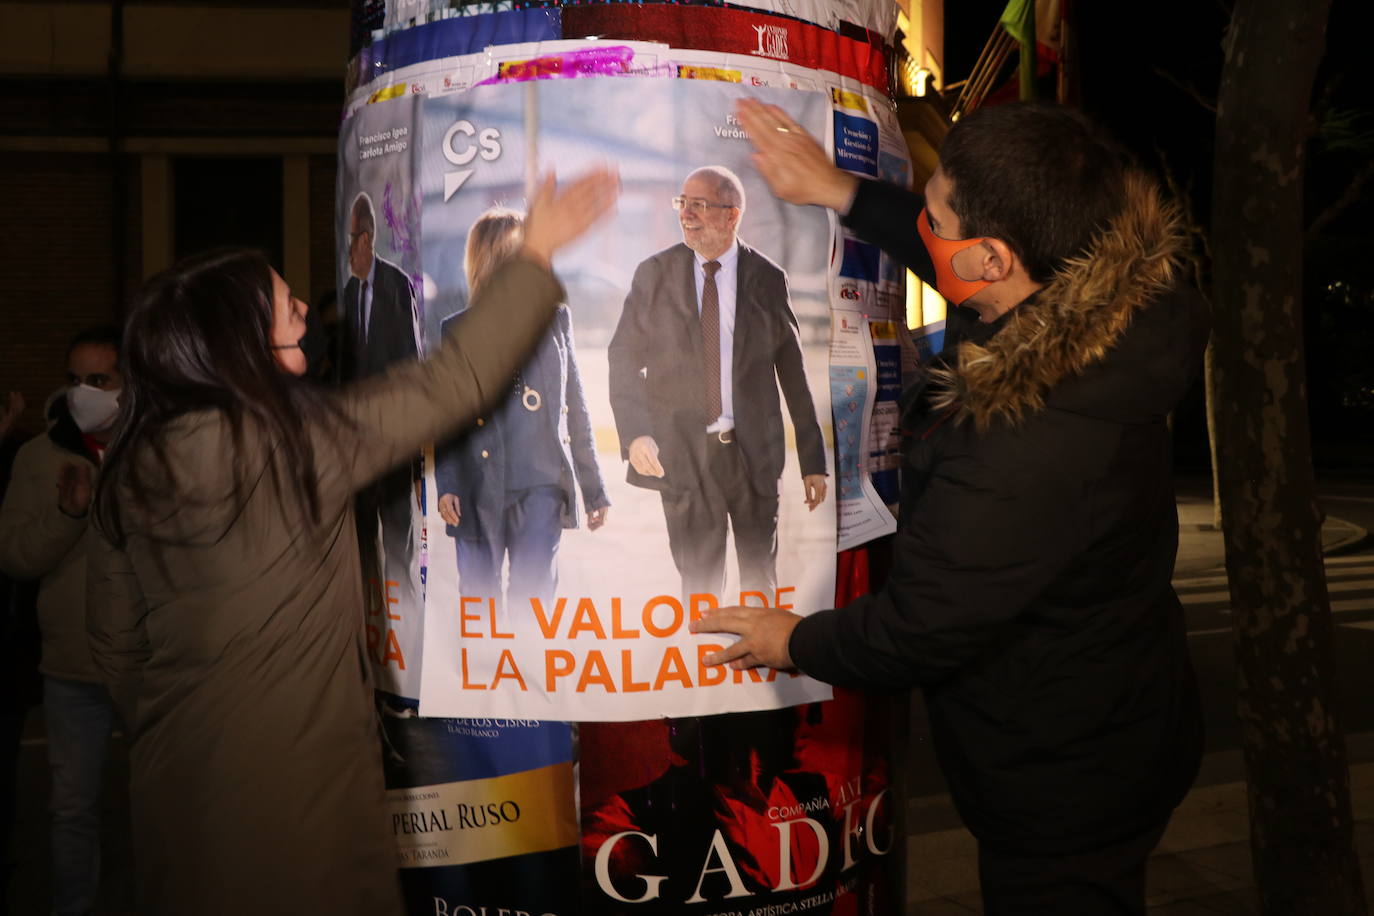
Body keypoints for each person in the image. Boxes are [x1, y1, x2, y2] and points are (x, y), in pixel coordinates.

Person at [693, 99, 1208, 914]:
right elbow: (966, 266)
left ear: (995, 259)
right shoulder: (1115, 306)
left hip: (1064, 778)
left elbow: (918, 629)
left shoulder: (1023, 443)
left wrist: (792, 639)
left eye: (934, 217)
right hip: (1124, 715)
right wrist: (843, 192)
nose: (924, 230)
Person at [84, 168, 618, 915]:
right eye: (285, 304)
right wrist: (537, 258)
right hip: (300, 800)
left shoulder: (130, 465)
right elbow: (453, 380)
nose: (306, 308)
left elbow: (114, 644)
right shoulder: (297, 443)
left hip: (177, 785)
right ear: (236, 342)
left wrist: (191, 715)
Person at [608, 165, 828, 600]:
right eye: (682, 203)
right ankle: (704, 664)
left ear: (732, 215)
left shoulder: (766, 278)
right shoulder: (653, 275)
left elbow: (792, 371)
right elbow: (622, 357)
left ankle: (756, 664)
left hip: (753, 459)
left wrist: (813, 459)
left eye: (700, 205)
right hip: (684, 458)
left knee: (758, 583)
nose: (686, 214)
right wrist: (636, 435)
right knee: (700, 589)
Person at [0, 328, 123, 916]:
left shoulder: (157, 447)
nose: (83, 393)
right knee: (72, 810)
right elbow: (17, 556)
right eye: (75, 379)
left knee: (172, 804)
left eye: (99, 380)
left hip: (152, 665)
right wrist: (68, 515)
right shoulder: (38, 456)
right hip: (72, 668)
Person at [435, 208, 609, 614]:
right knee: (480, 609)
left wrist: (594, 488)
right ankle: (487, 676)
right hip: (478, 490)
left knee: (532, 608)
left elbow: (576, 405)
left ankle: (525, 679)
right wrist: (448, 484)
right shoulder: (457, 331)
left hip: (541, 490)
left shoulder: (556, 320)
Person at [342, 191, 422, 647]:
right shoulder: (349, 293)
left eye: (352, 238)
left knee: (398, 548)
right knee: (362, 553)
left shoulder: (395, 286)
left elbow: (410, 371)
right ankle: (373, 638)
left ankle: (407, 639)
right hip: (355, 453)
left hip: (392, 448)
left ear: (367, 238)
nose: (348, 248)